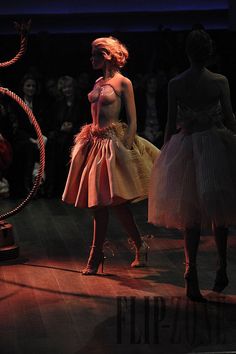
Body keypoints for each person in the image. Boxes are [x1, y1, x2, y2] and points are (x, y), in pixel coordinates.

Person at [148, 30, 236, 301]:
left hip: (185, 147)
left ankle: (191, 270)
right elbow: (230, 119)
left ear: (187, 53)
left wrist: (165, 154)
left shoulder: (176, 83)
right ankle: (221, 266)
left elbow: (170, 123)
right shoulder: (219, 81)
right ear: (209, 53)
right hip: (214, 147)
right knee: (218, 211)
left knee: (191, 216)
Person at [62, 36, 159, 275]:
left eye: (95, 54)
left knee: (117, 205)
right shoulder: (97, 82)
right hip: (95, 144)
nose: (91, 58)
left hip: (112, 145)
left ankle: (119, 249)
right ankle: (103, 253)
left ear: (106, 56)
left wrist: (125, 147)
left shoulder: (123, 82)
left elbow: (134, 119)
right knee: (100, 204)